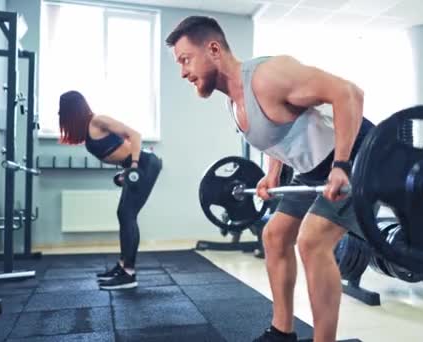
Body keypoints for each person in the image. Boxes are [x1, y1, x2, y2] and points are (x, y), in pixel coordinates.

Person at [165, 16, 375, 342]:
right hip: (309, 173)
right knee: (274, 236)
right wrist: (272, 173)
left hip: (359, 158)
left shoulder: (267, 76)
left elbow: (349, 93)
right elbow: (278, 134)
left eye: (185, 59)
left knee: (311, 241)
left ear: (214, 49)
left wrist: (342, 165)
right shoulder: (232, 104)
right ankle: (281, 332)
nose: (182, 72)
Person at [58, 90, 162, 290]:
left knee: (128, 214)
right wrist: (127, 170)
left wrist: (133, 164)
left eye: (62, 111)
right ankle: (123, 266)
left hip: (146, 164)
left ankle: (129, 274)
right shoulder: (88, 129)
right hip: (136, 167)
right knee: (123, 214)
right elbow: (118, 152)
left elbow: (135, 135)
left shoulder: (99, 120)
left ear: (72, 109)